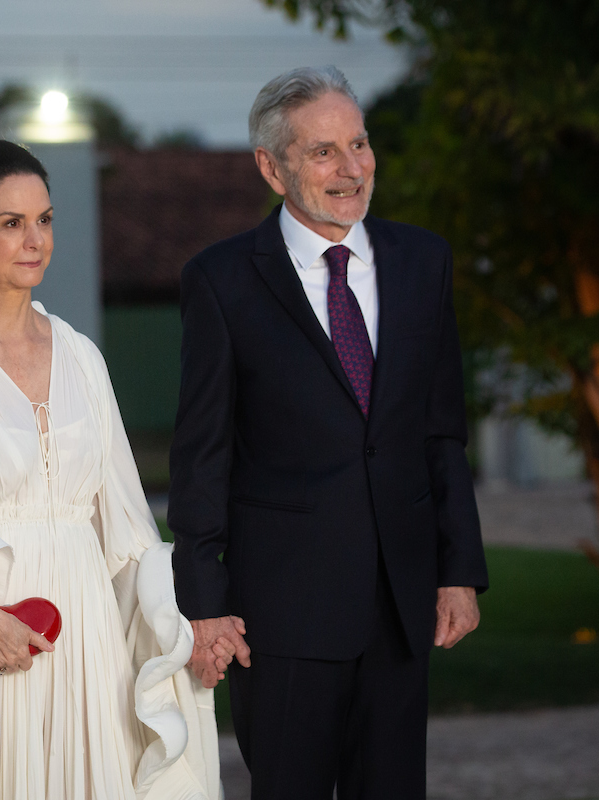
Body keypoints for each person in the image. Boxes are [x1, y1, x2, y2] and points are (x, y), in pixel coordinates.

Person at [168, 66, 490, 799]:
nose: (351, 169)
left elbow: (441, 431)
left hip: (402, 604)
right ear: (271, 167)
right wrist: (204, 601)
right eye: (323, 152)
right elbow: (201, 456)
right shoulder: (221, 281)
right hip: (281, 612)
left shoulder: (422, 262)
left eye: (360, 143)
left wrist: (458, 569)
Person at [0, 139, 220, 800]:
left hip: (85, 637)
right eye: (11, 223)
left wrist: (181, 622)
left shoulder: (82, 355)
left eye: (46, 219)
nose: (35, 240)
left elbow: (124, 522)